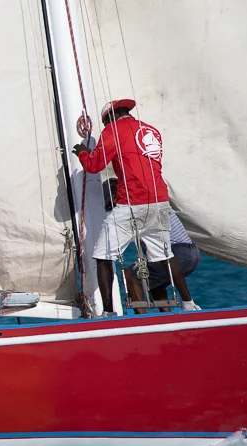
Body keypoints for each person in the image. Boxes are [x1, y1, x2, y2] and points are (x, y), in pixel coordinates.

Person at [72, 99, 199, 314]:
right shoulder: (152, 131)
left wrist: (83, 153)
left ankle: (109, 312)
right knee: (165, 255)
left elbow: (95, 165)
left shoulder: (113, 130)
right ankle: (189, 304)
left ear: (109, 118)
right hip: (159, 201)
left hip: (132, 202)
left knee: (103, 256)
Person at [100, 180, 203, 313]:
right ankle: (167, 315)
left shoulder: (133, 208)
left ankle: (142, 320)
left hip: (177, 253)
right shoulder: (149, 200)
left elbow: (119, 240)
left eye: (112, 206)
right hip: (192, 253)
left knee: (129, 275)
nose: (113, 209)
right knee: (152, 279)